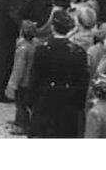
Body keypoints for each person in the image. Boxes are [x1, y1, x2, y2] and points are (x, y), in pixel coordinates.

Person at [28, 9, 90, 138]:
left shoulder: (42, 51)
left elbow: (35, 78)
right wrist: (79, 104)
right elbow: (83, 82)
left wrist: (30, 99)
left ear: (52, 27)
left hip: (45, 102)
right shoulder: (79, 53)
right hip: (69, 104)